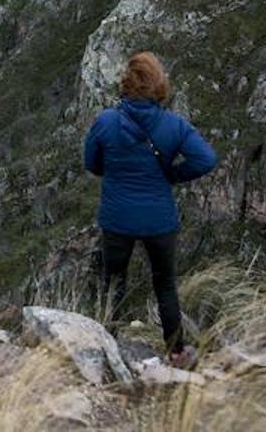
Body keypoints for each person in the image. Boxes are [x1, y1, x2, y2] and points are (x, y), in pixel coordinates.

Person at [83, 51, 217, 367]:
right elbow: (206, 160)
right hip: (159, 218)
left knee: (113, 283)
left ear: (127, 84)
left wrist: (116, 171)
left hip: (117, 217)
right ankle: (176, 352)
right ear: (160, 86)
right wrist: (172, 174)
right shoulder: (174, 125)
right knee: (165, 284)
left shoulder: (106, 122)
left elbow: (92, 163)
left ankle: (106, 350)